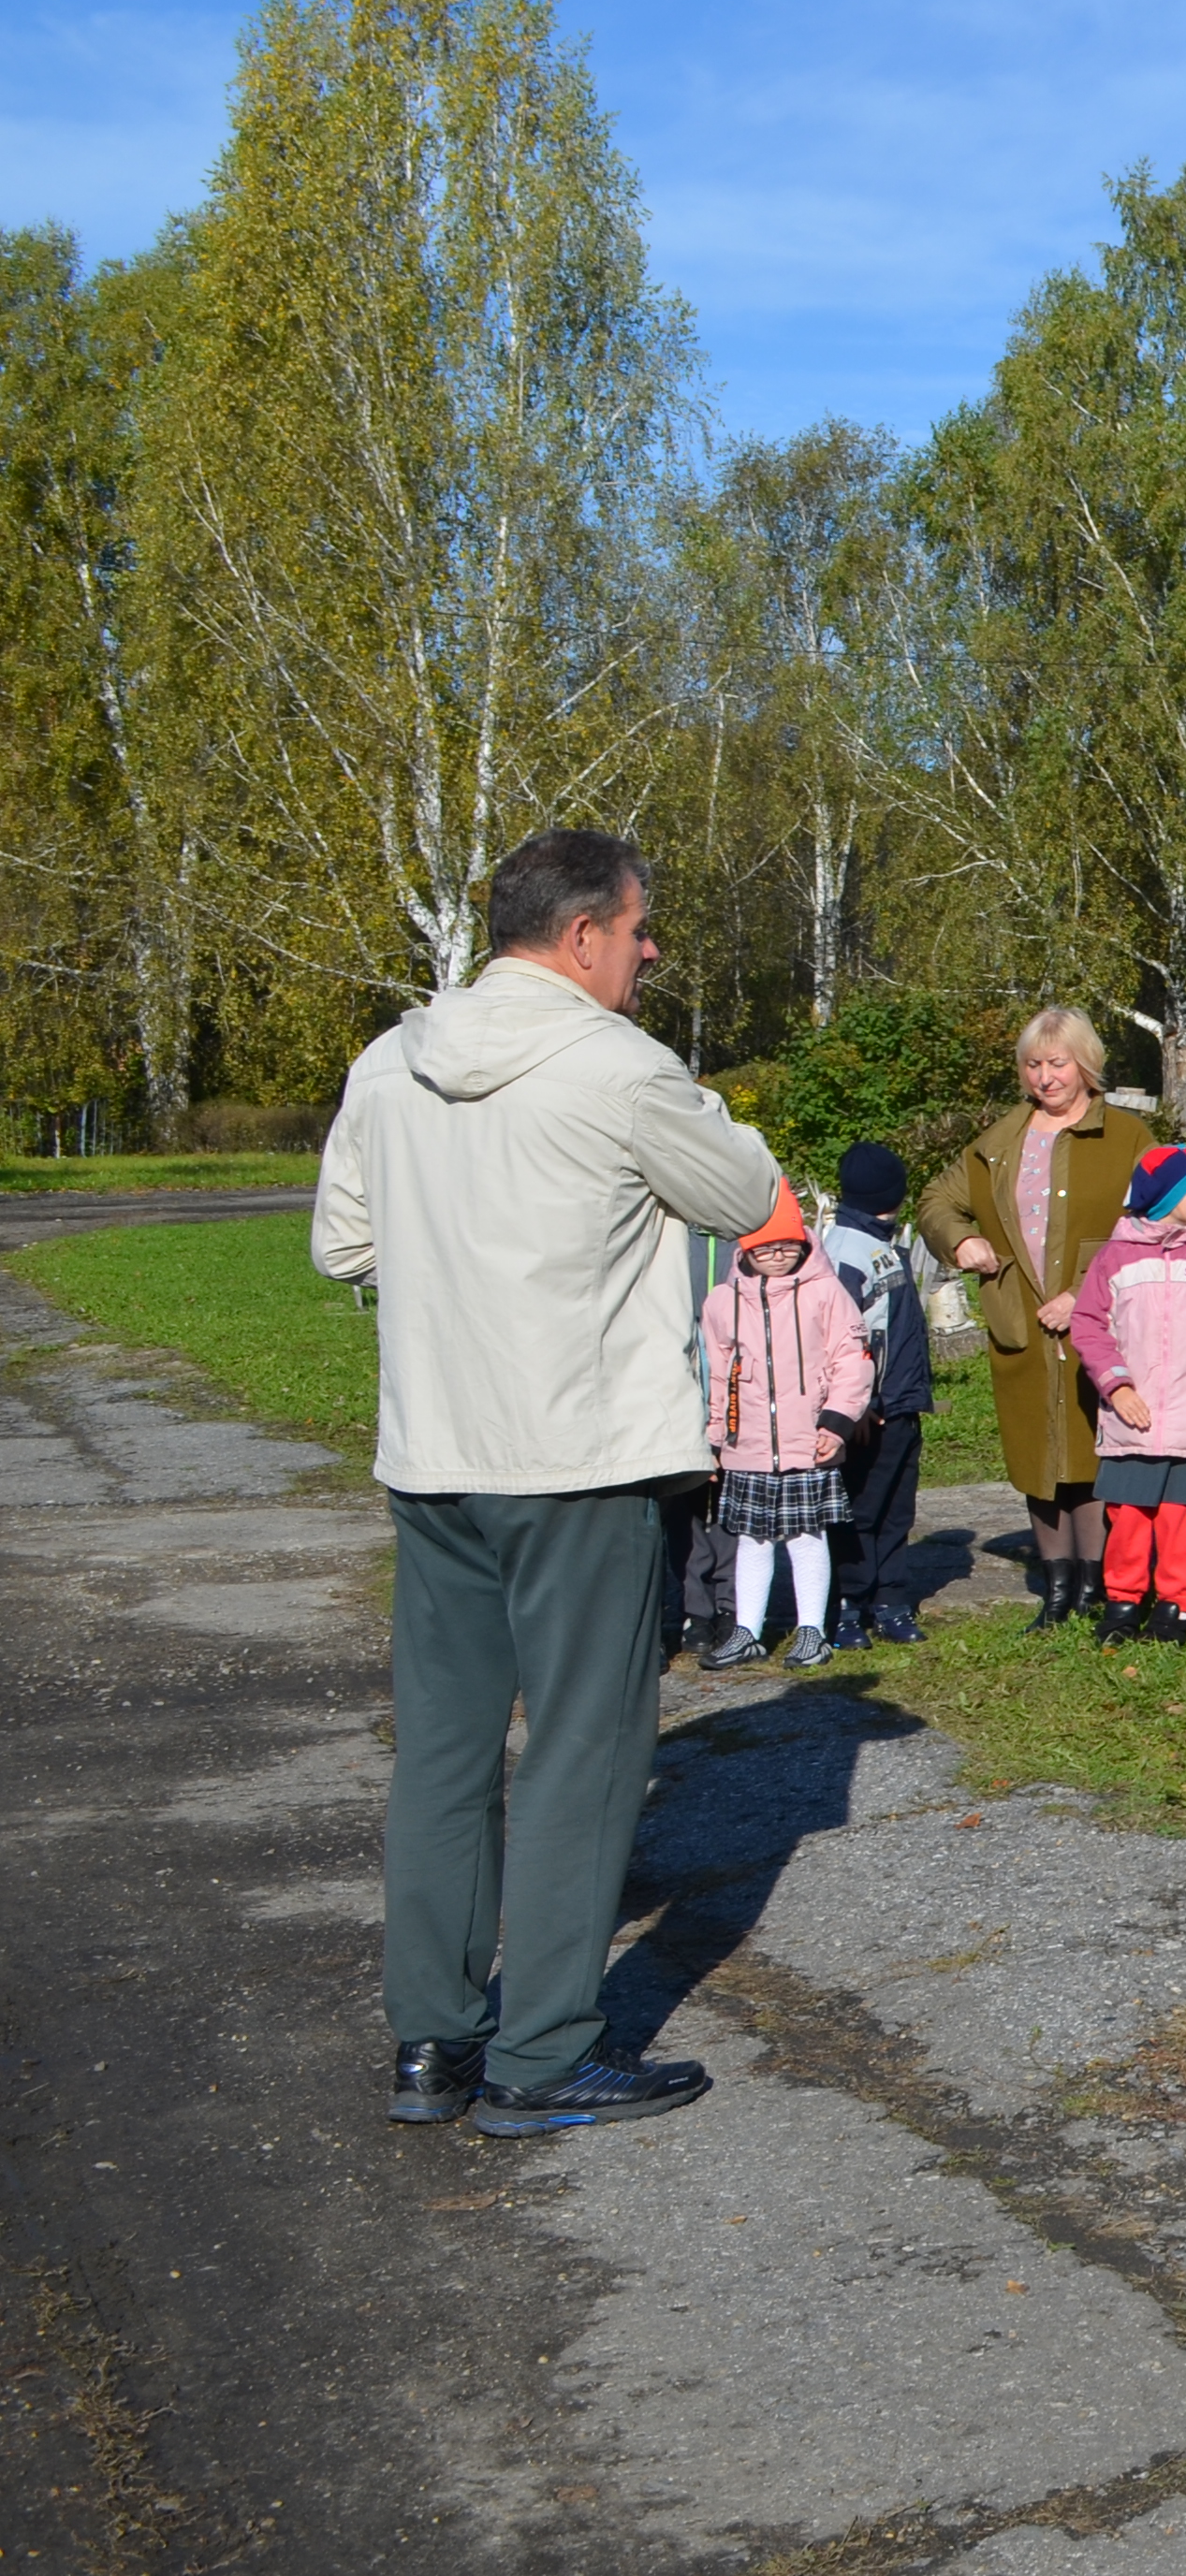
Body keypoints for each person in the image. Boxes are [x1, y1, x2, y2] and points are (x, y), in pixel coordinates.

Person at [316, 825, 776, 2136]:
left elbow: (341, 1240)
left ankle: (432, 2045)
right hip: (582, 1458)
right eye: (641, 930)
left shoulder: (389, 1061)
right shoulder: (618, 1067)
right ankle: (545, 2051)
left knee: (447, 1754)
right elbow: (743, 1190)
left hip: (437, 1454)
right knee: (583, 1750)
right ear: (582, 936)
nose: (649, 952)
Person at [919, 1010, 1155, 1628]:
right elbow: (937, 1201)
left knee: (1095, 1448)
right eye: (1033, 1065)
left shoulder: (1129, 1137)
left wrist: (1083, 1289)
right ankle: (1057, 1592)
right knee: (1037, 1455)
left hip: (1103, 1322)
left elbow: (1155, 1220)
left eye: (1058, 1063)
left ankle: (1103, 1584)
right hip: (1019, 1322)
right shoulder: (1001, 1141)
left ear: (1087, 1065)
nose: (1045, 1077)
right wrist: (960, 1240)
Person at [1066, 1142, 1186, 1645]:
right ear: (1163, 1196)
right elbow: (1088, 1326)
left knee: (1182, 1520)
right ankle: (1123, 1601)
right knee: (1128, 1517)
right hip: (1133, 1418)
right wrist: (1117, 1385)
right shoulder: (1115, 1258)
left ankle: (1176, 1605)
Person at [695, 1177, 874, 1674]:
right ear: (745, 1249)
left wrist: (835, 1424)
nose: (775, 1254)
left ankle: (812, 1631)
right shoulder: (721, 1302)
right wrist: (714, 1437)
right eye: (763, 1246)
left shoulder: (827, 1293)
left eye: (785, 1244)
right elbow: (715, 1373)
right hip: (746, 1442)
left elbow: (852, 1360)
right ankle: (747, 1632)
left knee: (806, 1535)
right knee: (751, 1538)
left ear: (802, 1242)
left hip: (809, 1440)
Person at [816, 1143, 935, 1647]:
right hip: (869, 1410)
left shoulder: (885, 1243)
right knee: (859, 1511)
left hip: (902, 1402)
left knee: (896, 1510)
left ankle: (892, 1599)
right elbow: (838, 1337)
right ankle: (849, 1605)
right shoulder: (844, 1251)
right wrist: (854, 1406)